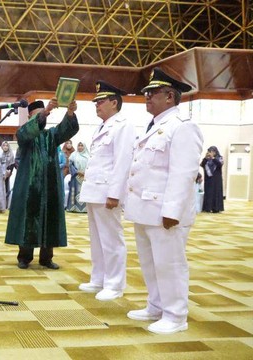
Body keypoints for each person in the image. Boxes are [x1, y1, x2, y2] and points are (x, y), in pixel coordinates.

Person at [124, 67, 203, 334]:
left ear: (170, 96)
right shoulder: (155, 126)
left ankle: (176, 315)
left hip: (164, 213)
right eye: (147, 92)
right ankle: (156, 305)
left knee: (170, 264)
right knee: (150, 262)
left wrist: (173, 211)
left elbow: (183, 174)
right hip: (145, 209)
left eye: (152, 93)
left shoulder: (182, 127)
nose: (147, 96)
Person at [78, 81, 136, 301]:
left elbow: (123, 162)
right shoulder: (101, 127)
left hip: (107, 192)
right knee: (97, 238)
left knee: (111, 239)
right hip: (95, 190)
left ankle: (114, 284)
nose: (97, 105)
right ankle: (99, 278)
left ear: (114, 102)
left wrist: (115, 193)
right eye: (96, 102)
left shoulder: (123, 125)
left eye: (101, 101)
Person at [5, 99, 79, 270]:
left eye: (44, 113)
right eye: (38, 114)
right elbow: (25, 133)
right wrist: (44, 112)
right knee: (28, 220)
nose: (43, 116)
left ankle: (46, 258)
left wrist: (69, 113)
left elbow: (66, 130)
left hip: (50, 184)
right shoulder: (24, 134)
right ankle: (24, 257)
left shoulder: (51, 135)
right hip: (29, 185)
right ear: (30, 115)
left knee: (49, 219)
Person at [65, 142, 90, 213]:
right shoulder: (73, 155)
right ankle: (73, 208)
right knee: (74, 191)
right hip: (76, 176)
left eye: (82, 145)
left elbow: (91, 166)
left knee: (84, 192)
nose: (80, 147)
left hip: (85, 177)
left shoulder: (88, 156)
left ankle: (85, 209)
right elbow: (70, 165)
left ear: (84, 147)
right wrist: (77, 172)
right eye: (79, 145)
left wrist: (86, 173)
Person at [201, 146, 224, 213]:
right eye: (209, 151)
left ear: (215, 152)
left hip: (216, 180)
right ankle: (207, 207)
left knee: (216, 193)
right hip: (208, 180)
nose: (209, 153)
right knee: (208, 193)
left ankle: (216, 208)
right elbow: (202, 164)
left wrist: (213, 158)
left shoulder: (220, 158)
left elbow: (219, 164)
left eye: (211, 151)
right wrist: (205, 158)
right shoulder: (207, 159)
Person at [1, 141, 16, 206]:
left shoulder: (11, 154)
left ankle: (6, 204)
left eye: (7, 146)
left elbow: (12, 164)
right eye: (4, 145)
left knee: (6, 188)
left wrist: (9, 172)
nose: (5, 147)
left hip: (8, 175)